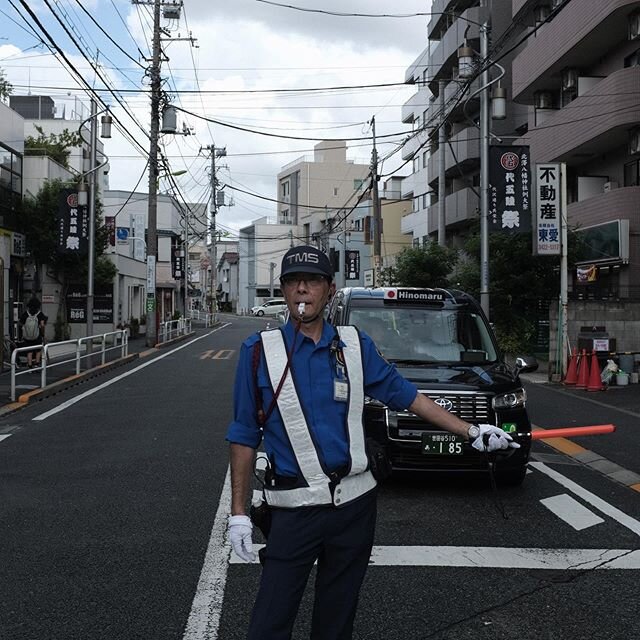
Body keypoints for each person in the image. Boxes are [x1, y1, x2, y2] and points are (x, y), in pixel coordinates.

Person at [226, 245, 518, 640]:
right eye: (293, 282)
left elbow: (406, 395)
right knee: (269, 622)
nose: (302, 291)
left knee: (337, 618)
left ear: (329, 289)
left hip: (354, 508)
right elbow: (244, 434)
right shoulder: (258, 351)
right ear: (284, 290)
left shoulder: (354, 346)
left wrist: (471, 430)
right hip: (293, 510)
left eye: (312, 282)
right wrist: (239, 513)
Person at [19, 296, 48, 369]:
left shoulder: (26, 314)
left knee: (29, 351)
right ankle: (36, 364)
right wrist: (43, 334)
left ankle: (30, 365)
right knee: (38, 350)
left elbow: (20, 324)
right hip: (37, 336)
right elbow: (42, 325)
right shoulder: (39, 314)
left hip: (27, 337)